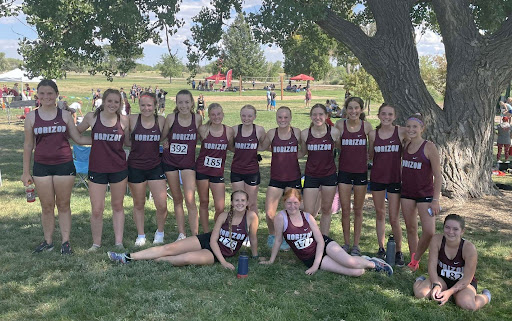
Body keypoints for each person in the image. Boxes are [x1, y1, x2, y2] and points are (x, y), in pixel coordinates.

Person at [21, 79, 91, 255]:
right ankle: (48, 241)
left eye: (50, 93)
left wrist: (102, 140)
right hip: (41, 167)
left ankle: (65, 242)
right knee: (46, 205)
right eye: (42, 93)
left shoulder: (65, 116)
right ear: (37, 95)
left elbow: (78, 138)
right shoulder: (31, 117)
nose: (46, 97)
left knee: (63, 204)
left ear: (56, 94)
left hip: (64, 165)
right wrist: (25, 171)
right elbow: (28, 145)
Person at [107, 190, 259, 268]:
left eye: (243, 201)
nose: (239, 203)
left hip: (215, 253)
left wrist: (255, 256)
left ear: (247, 203)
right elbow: (213, 240)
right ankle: (128, 257)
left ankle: (156, 260)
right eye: (236, 200)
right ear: (232, 203)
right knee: (170, 247)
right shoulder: (224, 215)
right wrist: (224, 263)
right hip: (208, 241)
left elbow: (253, 238)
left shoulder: (251, 217)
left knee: (185, 258)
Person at [260, 189, 393, 276]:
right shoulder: (281, 218)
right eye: (289, 203)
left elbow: (320, 241)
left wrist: (316, 266)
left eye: (295, 203)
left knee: (351, 262)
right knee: (357, 272)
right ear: (284, 203)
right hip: (309, 258)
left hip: (324, 246)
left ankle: (375, 264)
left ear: (300, 203)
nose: (292, 206)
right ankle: (363, 260)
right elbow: (278, 240)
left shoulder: (307, 217)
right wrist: (271, 260)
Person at [77, 89, 130, 251]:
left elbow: (127, 143)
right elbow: (76, 134)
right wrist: (93, 140)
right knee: (97, 209)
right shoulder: (92, 117)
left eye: (116, 102)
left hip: (118, 168)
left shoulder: (125, 120)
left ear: (120, 104)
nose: (113, 104)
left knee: (118, 205)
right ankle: (96, 243)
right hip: (97, 168)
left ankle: (118, 242)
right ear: (103, 101)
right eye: (110, 101)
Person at [413, 214, 491, 310]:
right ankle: (420, 280)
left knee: (468, 306)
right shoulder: (436, 240)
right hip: (441, 279)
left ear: (462, 231)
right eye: (447, 227)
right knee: (421, 294)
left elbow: (467, 278)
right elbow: (432, 265)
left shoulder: (469, 248)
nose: (450, 232)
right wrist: (436, 284)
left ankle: (486, 296)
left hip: (463, 283)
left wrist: (450, 292)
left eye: (455, 229)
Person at [401, 113, 442, 271]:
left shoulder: (429, 146)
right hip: (407, 193)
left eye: (415, 127)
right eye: (408, 126)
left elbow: (438, 175)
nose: (411, 129)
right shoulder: (406, 145)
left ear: (422, 129)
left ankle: (416, 256)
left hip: (425, 195)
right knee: (411, 228)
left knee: (429, 231)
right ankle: (413, 262)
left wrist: (436, 199)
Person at [126, 93, 168, 246]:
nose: (146, 108)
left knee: (162, 204)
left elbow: (165, 138)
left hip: (155, 166)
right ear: (139, 105)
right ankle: (141, 235)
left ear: (155, 105)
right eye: (143, 105)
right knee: (139, 203)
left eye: (149, 105)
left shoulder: (161, 120)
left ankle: (160, 232)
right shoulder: (132, 119)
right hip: (135, 166)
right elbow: (126, 141)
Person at [368, 103, 407, 265]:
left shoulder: (401, 131)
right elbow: (371, 155)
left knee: (394, 217)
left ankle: (398, 251)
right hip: (377, 177)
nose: (386, 117)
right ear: (378, 116)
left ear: (395, 117)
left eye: (390, 114)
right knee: (379, 213)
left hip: (394, 178)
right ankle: (381, 247)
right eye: (383, 114)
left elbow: (417, 131)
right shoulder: (372, 134)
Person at [161, 90, 202, 241]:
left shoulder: (197, 118)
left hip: (188, 163)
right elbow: (163, 136)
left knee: (190, 199)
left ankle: (195, 235)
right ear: (176, 104)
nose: (183, 105)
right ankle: (182, 234)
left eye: (186, 102)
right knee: (177, 198)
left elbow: (200, 137)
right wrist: (164, 143)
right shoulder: (171, 118)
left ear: (192, 103)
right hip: (170, 161)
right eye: (180, 102)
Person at [334, 97, 373, 256]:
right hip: (344, 172)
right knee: (345, 210)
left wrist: (366, 159)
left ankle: (356, 245)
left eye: (356, 108)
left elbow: (372, 149)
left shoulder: (367, 127)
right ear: (346, 109)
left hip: (361, 173)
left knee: (358, 209)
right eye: (350, 108)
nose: (353, 111)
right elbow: (338, 146)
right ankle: (346, 243)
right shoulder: (339, 125)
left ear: (361, 110)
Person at [260, 106, 302, 250]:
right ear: (276, 118)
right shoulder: (272, 133)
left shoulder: (297, 132)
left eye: (285, 117)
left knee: (293, 210)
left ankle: (292, 236)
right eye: (280, 117)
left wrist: (295, 155)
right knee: (269, 213)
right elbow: (262, 147)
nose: (282, 120)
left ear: (290, 118)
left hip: (293, 178)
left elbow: (305, 148)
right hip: (276, 178)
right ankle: (273, 235)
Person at [300, 104, 340, 235]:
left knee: (326, 209)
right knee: (308, 210)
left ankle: (324, 238)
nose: (318, 117)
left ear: (326, 116)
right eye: (314, 115)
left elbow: (341, 151)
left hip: (329, 175)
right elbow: (302, 153)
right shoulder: (305, 133)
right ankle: (308, 237)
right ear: (311, 116)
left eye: (321, 114)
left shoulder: (333, 132)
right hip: (311, 175)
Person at [195, 103, 235, 232]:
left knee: (220, 206)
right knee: (204, 202)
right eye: (213, 114)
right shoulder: (203, 129)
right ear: (209, 116)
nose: (216, 117)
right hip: (202, 170)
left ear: (223, 114)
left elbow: (233, 148)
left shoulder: (229, 131)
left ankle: (216, 231)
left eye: (218, 114)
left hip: (218, 172)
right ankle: (207, 232)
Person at [230, 105, 266, 219]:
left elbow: (263, 146)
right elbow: (230, 146)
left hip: (252, 171)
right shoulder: (235, 130)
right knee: (238, 203)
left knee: (251, 203)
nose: (246, 118)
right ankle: (239, 229)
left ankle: (253, 230)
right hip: (237, 170)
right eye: (243, 115)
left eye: (250, 116)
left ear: (254, 116)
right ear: (240, 116)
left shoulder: (259, 130)